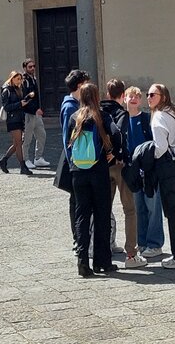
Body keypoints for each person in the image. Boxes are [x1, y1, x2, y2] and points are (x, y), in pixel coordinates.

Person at [66, 82, 117, 277]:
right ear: (96, 96)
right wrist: (113, 153)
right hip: (98, 170)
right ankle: (102, 262)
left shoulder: (74, 118)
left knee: (82, 217)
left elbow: (67, 143)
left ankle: (82, 262)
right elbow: (117, 134)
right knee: (102, 215)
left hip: (78, 171)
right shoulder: (102, 116)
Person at [147, 83, 175, 268]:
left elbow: (160, 148)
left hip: (165, 165)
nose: (148, 98)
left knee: (172, 211)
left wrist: (149, 158)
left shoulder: (159, 116)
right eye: (148, 95)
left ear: (162, 97)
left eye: (152, 95)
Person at [101, 78, 143, 268]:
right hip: (119, 164)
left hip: (101, 165)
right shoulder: (121, 113)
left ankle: (102, 252)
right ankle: (131, 255)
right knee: (129, 210)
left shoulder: (99, 111)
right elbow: (119, 134)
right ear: (122, 94)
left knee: (103, 210)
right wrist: (118, 153)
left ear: (107, 93)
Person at [123, 85, 165, 258]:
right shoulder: (122, 120)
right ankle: (142, 243)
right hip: (132, 171)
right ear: (124, 99)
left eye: (137, 97)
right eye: (130, 96)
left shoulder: (147, 119)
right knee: (138, 207)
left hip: (148, 170)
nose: (134, 99)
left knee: (153, 207)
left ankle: (155, 244)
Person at [58, 69, 90, 245]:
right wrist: (73, 163)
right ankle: (78, 237)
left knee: (77, 201)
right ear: (80, 85)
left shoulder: (75, 103)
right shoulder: (70, 106)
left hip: (78, 161)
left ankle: (79, 237)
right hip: (76, 162)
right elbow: (67, 138)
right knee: (76, 202)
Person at [0, 70, 30, 174]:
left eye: (20, 79)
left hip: (19, 118)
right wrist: (20, 104)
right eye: (17, 79)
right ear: (12, 79)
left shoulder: (18, 89)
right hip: (12, 119)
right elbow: (6, 107)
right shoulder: (6, 90)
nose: (19, 81)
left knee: (17, 143)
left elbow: (19, 103)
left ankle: (4, 160)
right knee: (19, 143)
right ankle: (22, 166)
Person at [19, 57, 49, 169]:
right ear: (25, 68)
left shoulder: (34, 79)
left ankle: (38, 158)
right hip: (28, 114)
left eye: (33, 66)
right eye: (30, 67)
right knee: (27, 138)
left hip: (36, 113)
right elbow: (25, 98)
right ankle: (25, 159)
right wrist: (35, 109)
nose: (32, 68)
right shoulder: (24, 81)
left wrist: (38, 108)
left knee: (42, 135)